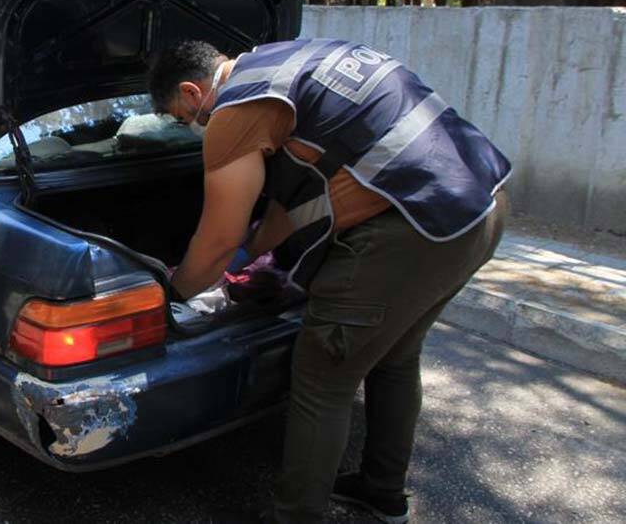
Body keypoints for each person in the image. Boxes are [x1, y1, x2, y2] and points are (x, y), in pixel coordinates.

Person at [148, 39, 512, 523]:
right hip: (479, 207)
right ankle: (381, 492)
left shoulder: (235, 110)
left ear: (193, 93)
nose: (190, 127)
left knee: (322, 377)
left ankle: (298, 515)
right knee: (394, 356)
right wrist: (247, 255)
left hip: (411, 228)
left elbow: (214, 243)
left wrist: (172, 293)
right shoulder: (291, 60)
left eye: (181, 118)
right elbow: (285, 208)